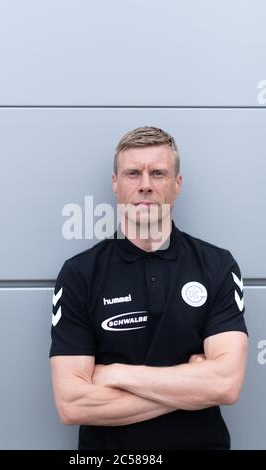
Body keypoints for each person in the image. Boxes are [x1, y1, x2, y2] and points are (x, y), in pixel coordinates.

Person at [49, 126, 248, 450]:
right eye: (132, 173)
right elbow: (72, 404)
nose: (145, 185)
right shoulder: (79, 274)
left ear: (177, 185)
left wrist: (115, 374)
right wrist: (192, 386)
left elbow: (225, 385)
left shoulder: (217, 266)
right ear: (115, 184)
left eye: (158, 173)